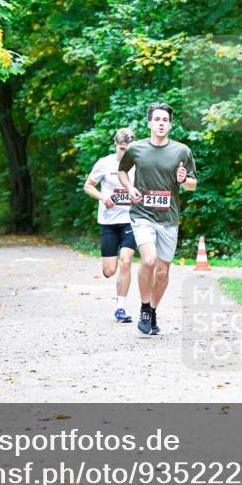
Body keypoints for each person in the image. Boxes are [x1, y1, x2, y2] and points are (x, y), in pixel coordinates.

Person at [118, 103, 197, 335]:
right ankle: (144, 308)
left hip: (169, 219)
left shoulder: (182, 151)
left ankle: (152, 311)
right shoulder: (136, 149)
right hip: (142, 214)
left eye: (165, 120)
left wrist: (183, 180)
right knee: (149, 261)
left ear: (170, 125)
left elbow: (193, 185)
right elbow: (122, 171)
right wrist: (130, 187)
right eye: (157, 119)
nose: (161, 123)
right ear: (150, 123)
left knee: (162, 270)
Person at [84, 128, 138, 323]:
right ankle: (108, 267)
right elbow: (88, 185)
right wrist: (102, 196)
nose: (124, 153)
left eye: (128, 149)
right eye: (121, 148)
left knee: (126, 260)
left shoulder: (139, 165)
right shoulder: (104, 163)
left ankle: (120, 308)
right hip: (108, 222)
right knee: (110, 271)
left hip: (131, 221)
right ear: (115, 145)